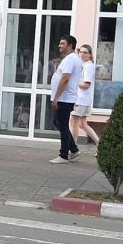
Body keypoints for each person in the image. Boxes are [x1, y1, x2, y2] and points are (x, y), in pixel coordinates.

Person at [48, 35, 81, 164]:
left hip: (65, 98)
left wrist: (57, 97)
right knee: (58, 122)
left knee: (62, 124)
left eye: (62, 43)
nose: (59, 46)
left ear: (70, 45)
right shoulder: (71, 58)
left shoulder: (70, 59)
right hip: (65, 98)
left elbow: (65, 79)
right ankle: (73, 149)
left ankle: (63, 155)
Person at [70, 44, 100, 147]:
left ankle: (73, 148)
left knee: (73, 124)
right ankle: (100, 145)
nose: (82, 54)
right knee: (82, 124)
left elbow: (86, 85)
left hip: (81, 99)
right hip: (84, 100)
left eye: (85, 52)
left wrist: (73, 81)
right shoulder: (85, 65)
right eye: (81, 52)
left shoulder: (88, 66)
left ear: (90, 54)